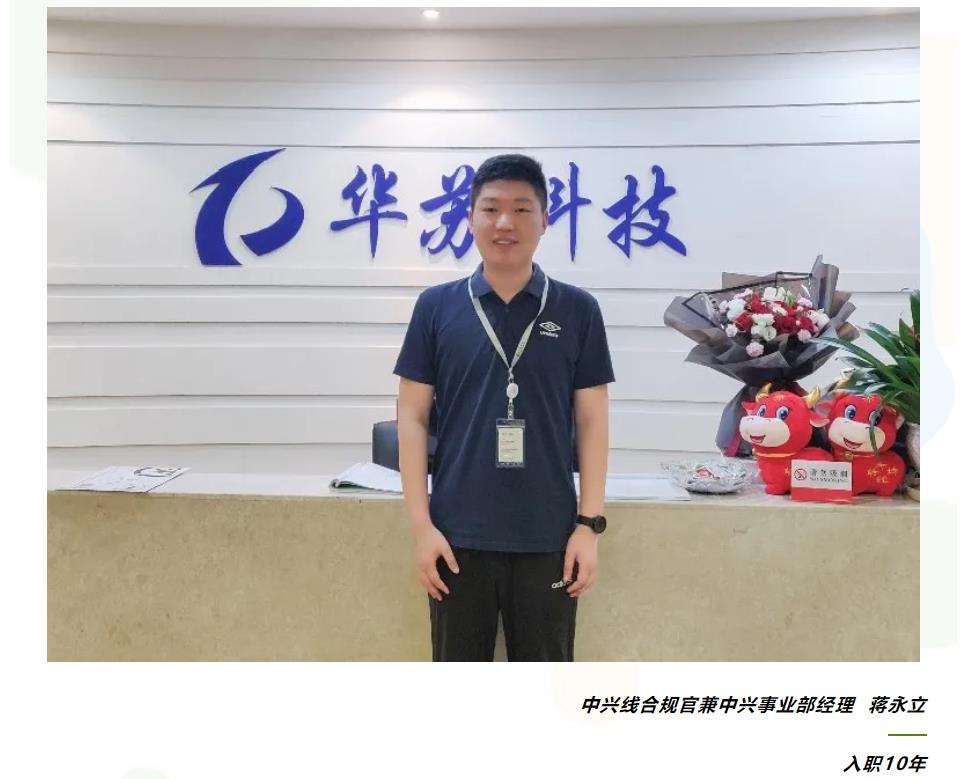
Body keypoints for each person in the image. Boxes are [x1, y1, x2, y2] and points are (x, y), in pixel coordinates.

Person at [393, 153, 614, 661]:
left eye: (521, 209)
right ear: (470, 218)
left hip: (549, 538)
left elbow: (593, 421)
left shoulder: (578, 309)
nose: (504, 223)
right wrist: (421, 528)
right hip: (455, 538)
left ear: (546, 219)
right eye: (491, 209)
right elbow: (412, 418)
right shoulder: (436, 307)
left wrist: (589, 526)